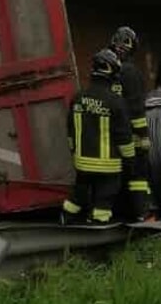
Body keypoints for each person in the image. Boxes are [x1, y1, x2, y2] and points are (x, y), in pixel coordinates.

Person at [61, 48, 136, 225]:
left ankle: (65, 218)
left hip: (82, 163)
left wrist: (74, 153)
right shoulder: (115, 102)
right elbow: (124, 137)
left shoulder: (78, 98)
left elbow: (70, 131)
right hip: (108, 166)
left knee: (79, 194)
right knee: (105, 196)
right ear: (111, 72)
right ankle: (98, 224)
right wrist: (131, 162)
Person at [109, 26, 155, 222]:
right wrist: (143, 136)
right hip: (131, 134)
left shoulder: (105, 70)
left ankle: (120, 213)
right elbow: (136, 108)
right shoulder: (130, 72)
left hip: (110, 135)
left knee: (117, 174)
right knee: (138, 174)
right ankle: (142, 213)